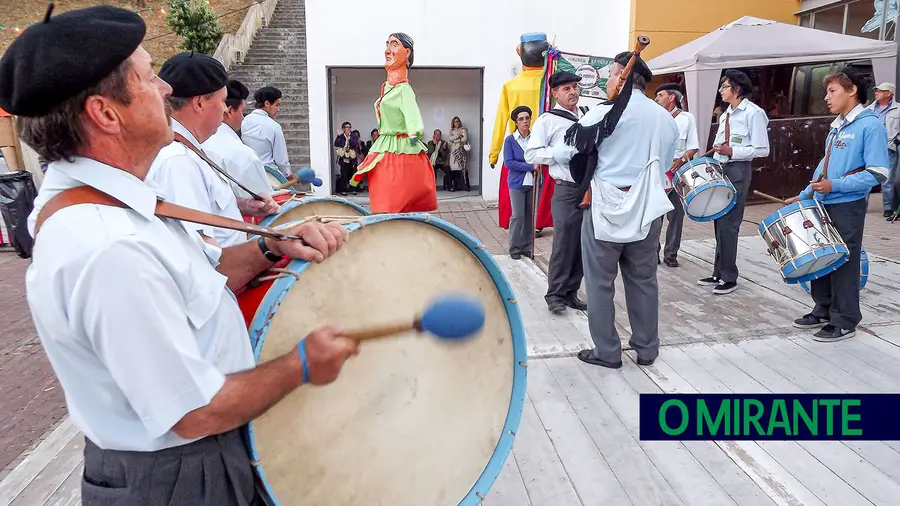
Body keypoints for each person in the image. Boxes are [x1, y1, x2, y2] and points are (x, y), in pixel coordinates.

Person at [1, 6, 356, 505]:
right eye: (149, 78)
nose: (167, 90)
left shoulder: (123, 206)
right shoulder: (109, 246)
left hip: (191, 464)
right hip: (178, 478)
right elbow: (194, 410)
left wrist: (268, 245)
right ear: (106, 113)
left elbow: (206, 277)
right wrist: (301, 363)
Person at [563, 52, 678, 369]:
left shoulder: (602, 112)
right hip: (647, 206)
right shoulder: (664, 117)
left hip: (605, 204)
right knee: (643, 279)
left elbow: (574, 152)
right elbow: (666, 164)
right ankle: (646, 348)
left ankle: (607, 351)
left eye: (612, 74)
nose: (608, 80)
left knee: (600, 282)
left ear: (623, 77)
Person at [788, 67, 890, 342]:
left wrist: (836, 186)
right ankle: (822, 309)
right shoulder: (838, 126)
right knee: (821, 255)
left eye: (832, 91)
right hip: (823, 201)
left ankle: (844, 319)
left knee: (844, 261)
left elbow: (879, 172)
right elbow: (826, 165)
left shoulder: (870, 125)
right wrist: (807, 192)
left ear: (852, 90)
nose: (827, 97)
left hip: (848, 204)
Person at [147, 52, 279, 248]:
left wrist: (243, 206)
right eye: (222, 101)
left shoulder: (187, 150)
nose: (226, 110)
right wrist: (270, 248)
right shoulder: (177, 162)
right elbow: (199, 255)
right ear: (199, 103)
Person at [699, 69, 770, 295]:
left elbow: (762, 149)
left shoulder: (753, 113)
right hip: (721, 168)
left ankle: (730, 277)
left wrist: (733, 151)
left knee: (730, 224)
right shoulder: (726, 114)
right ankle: (718, 272)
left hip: (738, 169)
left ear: (737, 90)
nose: (720, 90)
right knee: (719, 220)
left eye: (724, 86)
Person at [350, 33, 438, 213]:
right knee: (383, 207)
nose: (387, 50)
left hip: (400, 155)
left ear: (407, 53)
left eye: (394, 45)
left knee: (393, 207)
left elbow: (415, 124)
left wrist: (413, 142)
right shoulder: (387, 88)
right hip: (384, 150)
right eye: (387, 44)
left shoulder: (404, 90)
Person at [525, 70, 588, 314]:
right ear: (554, 93)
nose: (573, 92)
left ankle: (571, 292)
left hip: (589, 189)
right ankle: (555, 294)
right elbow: (530, 154)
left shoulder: (585, 115)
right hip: (566, 190)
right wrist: (557, 154)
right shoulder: (546, 121)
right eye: (566, 89)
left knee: (583, 244)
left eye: (575, 87)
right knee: (564, 243)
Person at [489, 33, 554, 235]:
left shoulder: (511, 86)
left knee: (519, 186)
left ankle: (523, 225)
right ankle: (537, 222)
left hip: (519, 146)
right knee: (543, 186)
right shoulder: (552, 83)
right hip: (546, 145)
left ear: (520, 52)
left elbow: (501, 120)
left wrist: (494, 152)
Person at [201, 79, 274, 202]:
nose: (242, 117)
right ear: (229, 111)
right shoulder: (243, 156)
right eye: (242, 111)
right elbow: (266, 205)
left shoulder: (196, 143)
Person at [654, 83, 699, 268]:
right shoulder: (654, 117)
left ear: (671, 97)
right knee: (654, 215)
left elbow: (693, 146)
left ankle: (671, 254)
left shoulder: (687, 118)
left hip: (678, 172)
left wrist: (680, 161)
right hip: (657, 171)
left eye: (660, 94)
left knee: (676, 216)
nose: (656, 98)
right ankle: (652, 253)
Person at [241, 86, 293, 182]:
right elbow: (281, 161)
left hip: (247, 175)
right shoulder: (274, 126)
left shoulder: (244, 121)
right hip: (270, 177)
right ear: (267, 104)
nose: (278, 109)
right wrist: (289, 175)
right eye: (277, 105)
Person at [504, 106, 536, 260]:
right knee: (518, 216)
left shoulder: (535, 138)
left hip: (532, 183)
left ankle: (526, 247)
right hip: (516, 183)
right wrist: (530, 166)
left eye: (527, 118)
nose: (525, 121)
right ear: (516, 122)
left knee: (529, 216)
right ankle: (514, 248)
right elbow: (509, 163)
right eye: (521, 119)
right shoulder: (510, 140)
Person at [866, 83, 899, 217]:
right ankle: (862, 206)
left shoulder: (898, 110)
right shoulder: (869, 109)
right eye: (876, 91)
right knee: (867, 177)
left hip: (889, 148)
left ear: (888, 93)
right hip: (871, 148)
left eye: (880, 91)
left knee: (888, 179)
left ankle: (888, 208)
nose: (876, 93)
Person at [334, 122, 359, 195]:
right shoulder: (341, 136)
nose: (348, 128)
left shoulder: (354, 136)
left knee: (353, 174)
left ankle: (353, 189)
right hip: (344, 157)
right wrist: (338, 137)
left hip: (352, 158)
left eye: (349, 127)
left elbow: (355, 143)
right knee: (344, 174)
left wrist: (349, 138)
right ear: (343, 129)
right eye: (346, 127)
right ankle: (343, 190)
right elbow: (336, 144)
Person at [448, 116, 470, 192]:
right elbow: (450, 138)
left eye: (457, 121)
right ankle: (455, 186)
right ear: (453, 123)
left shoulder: (463, 130)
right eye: (455, 122)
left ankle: (464, 186)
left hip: (460, 150)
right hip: (453, 151)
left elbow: (465, 139)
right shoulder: (451, 131)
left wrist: (456, 140)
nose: (456, 123)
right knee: (453, 168)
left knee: (462, 168)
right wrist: (458, 136)